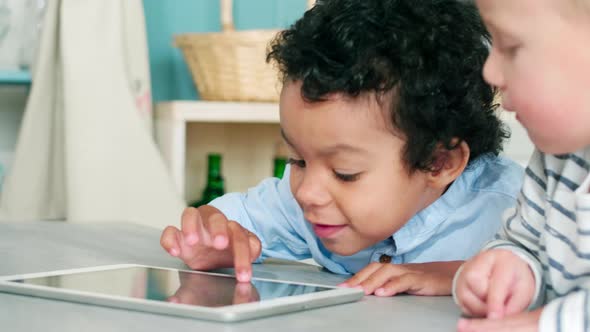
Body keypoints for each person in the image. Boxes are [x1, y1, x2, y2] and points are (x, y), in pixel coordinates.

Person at [161, 0, 523, 297]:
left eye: (345, 173)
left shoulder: (513, 209)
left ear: (437, 161)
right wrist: (214, 236)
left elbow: (571, 288)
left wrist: (455, 275)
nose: (307, 192)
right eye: (298, 159)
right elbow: (229, 219)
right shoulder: (303, 202)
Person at [452, 0, 590, 331]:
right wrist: (510, 268)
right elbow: (523, 242)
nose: (490, 72)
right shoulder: (559, 157)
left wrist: (543, 324)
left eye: (510, 47)